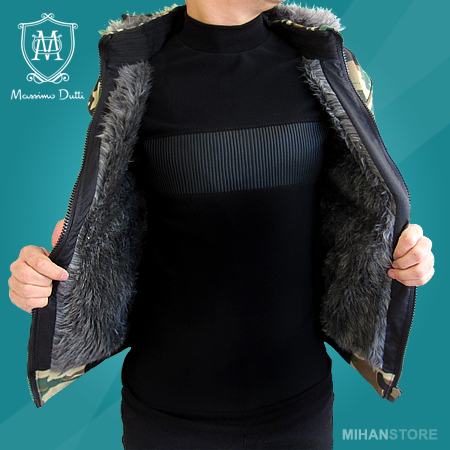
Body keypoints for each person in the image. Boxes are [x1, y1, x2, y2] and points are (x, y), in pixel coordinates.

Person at [8, 1, 435, 449]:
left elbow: (355, 216)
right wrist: (44, 279)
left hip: (298, 410)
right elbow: (108, 229)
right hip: (166, 415)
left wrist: (403, 259)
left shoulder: (325, 65)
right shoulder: (133, 72)